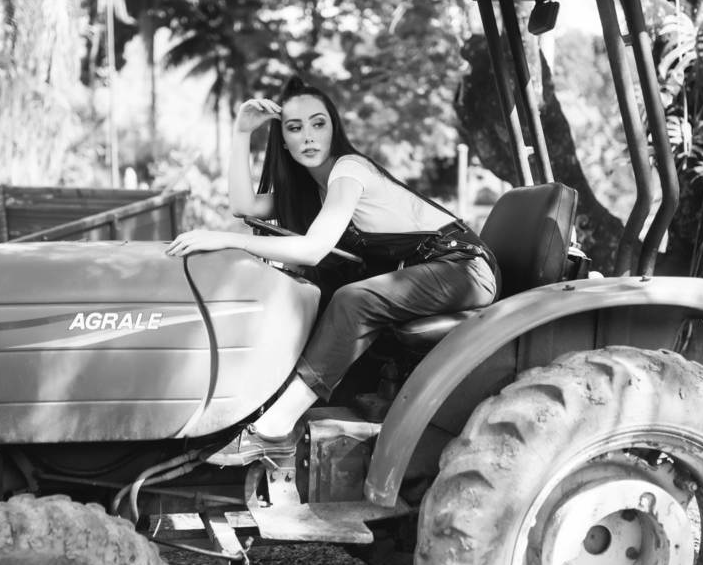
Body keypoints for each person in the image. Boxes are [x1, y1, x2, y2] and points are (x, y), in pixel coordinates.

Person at [166, 77, 499, 465]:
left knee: (353, 299)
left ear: (333, 129)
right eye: (295, 128)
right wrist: (242, 133)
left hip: (462, 268)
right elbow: (243, 206)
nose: (308, 136)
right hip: (428, 272)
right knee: (311, 292)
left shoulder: (348, 170)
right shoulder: (315, 191)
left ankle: (274, 430)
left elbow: (313, 249)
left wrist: (224, 240)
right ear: (284, 142)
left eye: (318, 123)